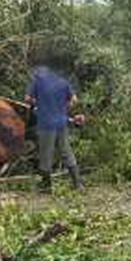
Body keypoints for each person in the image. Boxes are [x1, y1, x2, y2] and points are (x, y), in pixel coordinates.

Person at [25, 63, 83, 193]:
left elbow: (27, 99)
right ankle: (78, 184)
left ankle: (46, 187)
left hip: (46, 123)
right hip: (61, 122)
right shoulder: (63, 82)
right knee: (66, 151)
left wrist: (39, 104)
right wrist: (63, 108)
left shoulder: (37, 81)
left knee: (46, 154)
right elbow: (74, 100)